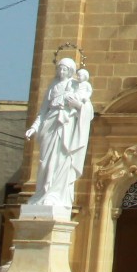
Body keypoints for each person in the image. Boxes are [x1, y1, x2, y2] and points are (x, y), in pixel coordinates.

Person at [24, 56, 94, 216]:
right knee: (45, 161)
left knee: (61, 159)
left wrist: (77, 106)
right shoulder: (52, 86)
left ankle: (54, 194)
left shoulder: (76, 85)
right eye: (59, 69)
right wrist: (34, 128)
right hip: (50, 123)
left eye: (64, 69)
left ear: (70, 71)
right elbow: (42, 111)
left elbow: (87, 107)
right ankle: (42, 192)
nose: (61, 72)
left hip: (66, 125)